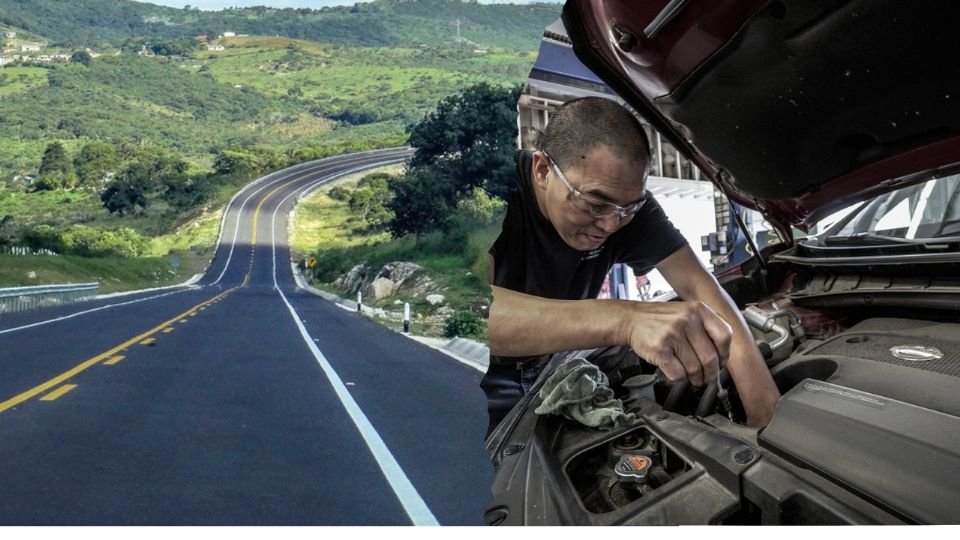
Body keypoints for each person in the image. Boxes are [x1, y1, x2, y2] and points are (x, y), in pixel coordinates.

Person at [483, 97, 780, 434]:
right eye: (595, 205)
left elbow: (698, 286)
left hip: (552, 364)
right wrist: (625, 319)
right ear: (542, 170)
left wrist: (764, 408)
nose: (611, 225)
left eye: (628, 209)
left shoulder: (625, 207)